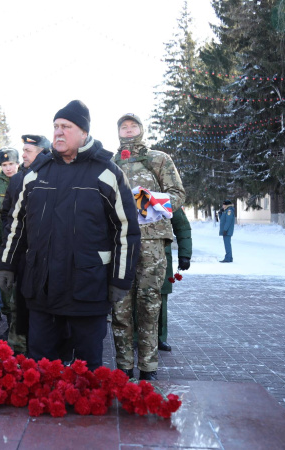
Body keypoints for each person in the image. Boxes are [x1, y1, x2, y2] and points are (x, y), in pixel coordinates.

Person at [0, 100, 141, 370]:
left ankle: (86, 412)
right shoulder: (36, 174)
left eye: (66, 126)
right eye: (55, 127)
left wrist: (120, 279)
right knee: (41, 366)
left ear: (84, 133)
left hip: (87, 289)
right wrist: (7, 264)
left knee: (87, 370)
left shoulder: (107, 173)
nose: (58, 133)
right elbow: (17, 224)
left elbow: (126, 229)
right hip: (42, 288)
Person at [111, 112, 186, 380]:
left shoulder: (159, 158)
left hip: (152, 241)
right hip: (119, 242)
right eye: (124, 126)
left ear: (141, 130)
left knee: (148, 304)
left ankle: (148, 367)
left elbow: (177, 194)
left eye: (133, 126)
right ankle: (123, 365)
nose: (128, 130)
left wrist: (145, 204)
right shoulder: (110, 162)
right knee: (120, 306)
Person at [0, 134, 51, 356]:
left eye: (28, 151)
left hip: (48, 258)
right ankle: (19, 355)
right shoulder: (18, 180)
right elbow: (8, 218)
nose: (23, 156)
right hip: (22, 258)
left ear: (43, 152)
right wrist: (8, 260)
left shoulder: (54, 176)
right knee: (18, 309)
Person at [0, 148, 19, 324]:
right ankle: (9, 323)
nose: (8, 168)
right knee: (4, 286)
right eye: (4, 165)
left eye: (11, 164)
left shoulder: (26, 179)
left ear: (17, 164)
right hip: (1, 242)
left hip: (21, 241)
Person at [157, 207, 191, 352]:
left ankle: (159, 337)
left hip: (160, 258)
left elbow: (182, 226)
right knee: (131, 296)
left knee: (160, 298)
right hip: (133, 254)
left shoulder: (167, 197)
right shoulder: (129, 192)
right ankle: (133, 337)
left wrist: (185, 254)